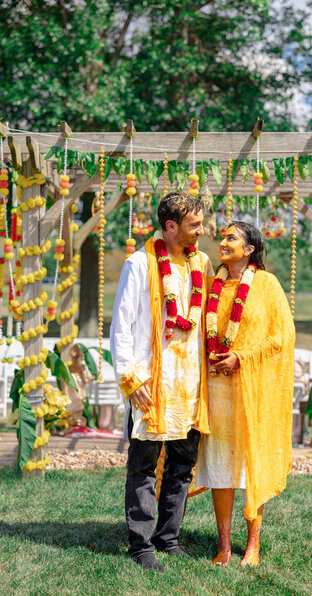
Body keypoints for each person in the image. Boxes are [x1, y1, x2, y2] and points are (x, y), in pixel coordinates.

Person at [110, 191, 213, 573]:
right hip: (152, 380)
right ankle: (140, 544)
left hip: (190, 384)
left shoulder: (201, 262)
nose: (202, 231)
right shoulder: (139, 264)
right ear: (170, 227)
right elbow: (121, 326)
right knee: (144, 465)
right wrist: (130, 377)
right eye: (194, 225)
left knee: (182, 465)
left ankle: (168, 538)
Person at [196, 221, 295, 567]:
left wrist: (242, 357)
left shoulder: (266, 285)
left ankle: (252, 545)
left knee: (251, 462)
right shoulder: (212, 285)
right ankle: (224, 545)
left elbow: (280, 336)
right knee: (221, 466)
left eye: (231, 238)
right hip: (216, 389)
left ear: (250, 249)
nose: (222, 242)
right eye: (222, 237)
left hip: (253, 389)